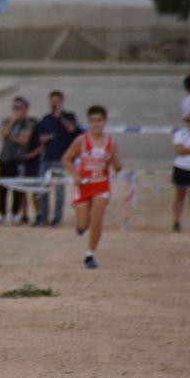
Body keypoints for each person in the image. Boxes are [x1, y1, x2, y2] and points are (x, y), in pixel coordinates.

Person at [62, 105, 122, 269]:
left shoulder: (110, 142)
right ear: (88, 122)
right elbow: (66, 159)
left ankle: (90, 254)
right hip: (83, 186)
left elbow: (117, 163)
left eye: (99, 121)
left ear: (105, 122)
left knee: (97, 217)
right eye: (93, 121)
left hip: (101, 185)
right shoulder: (81, 140)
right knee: (83, 224)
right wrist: (75, 176)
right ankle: (81, 227)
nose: (96, 124)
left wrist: (117, 167)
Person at [35, 91, 80, 227]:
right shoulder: (46, 118)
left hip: (61, 159)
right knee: (43, 189)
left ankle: (57, 218)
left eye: (57, 100)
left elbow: (73, 130)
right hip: (47, 158)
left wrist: (60, 117)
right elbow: (39, 137)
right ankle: (44, 217)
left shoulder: (69, 116)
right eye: (52, 100)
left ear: (61, 102)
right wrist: (44, 138)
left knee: (59, 190)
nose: (54, 103)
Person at [0, 97, 36, 225]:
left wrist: (11, 137)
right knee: (2, 188)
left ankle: (15, 213)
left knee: (17, 188)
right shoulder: (7, 121)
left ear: (25, 109)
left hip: (18, 159)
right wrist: (12, 122)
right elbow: (3, 135)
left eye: (19, 108)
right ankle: (2, 213)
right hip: (5, 158)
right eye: (14, 108)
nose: (17, 110)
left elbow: (24, 140)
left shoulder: (29, 123)